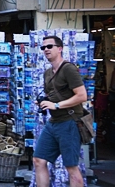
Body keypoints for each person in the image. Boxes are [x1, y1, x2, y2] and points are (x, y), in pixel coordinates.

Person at [33, 35, 87, 187]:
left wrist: (56, 105)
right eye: (43, 47)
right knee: (38, 160)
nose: (46, 50)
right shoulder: (48, 73)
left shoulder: (68, 69)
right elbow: (52, 95)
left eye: (50, 46)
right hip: (54, 122)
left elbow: (82, 96)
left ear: (60, 48)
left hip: (69, 122)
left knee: (71, 167)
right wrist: (44, 101)